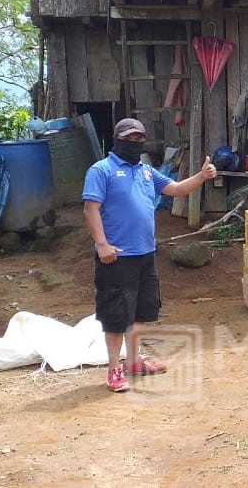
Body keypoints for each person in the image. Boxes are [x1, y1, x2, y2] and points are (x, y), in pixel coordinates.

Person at [83, 118, 217, 393]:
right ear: (117, 139)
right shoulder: (101, 170)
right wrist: (102, 244)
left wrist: (202, 177)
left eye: (139, 139)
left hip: (146, 253)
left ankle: (133, 362)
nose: (134, 144)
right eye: (129, 139)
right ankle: (114, 369)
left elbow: (177, 189)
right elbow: (91, 209)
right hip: (116, 256)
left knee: (140, 311)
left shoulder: (146, 171)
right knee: (116, 315)